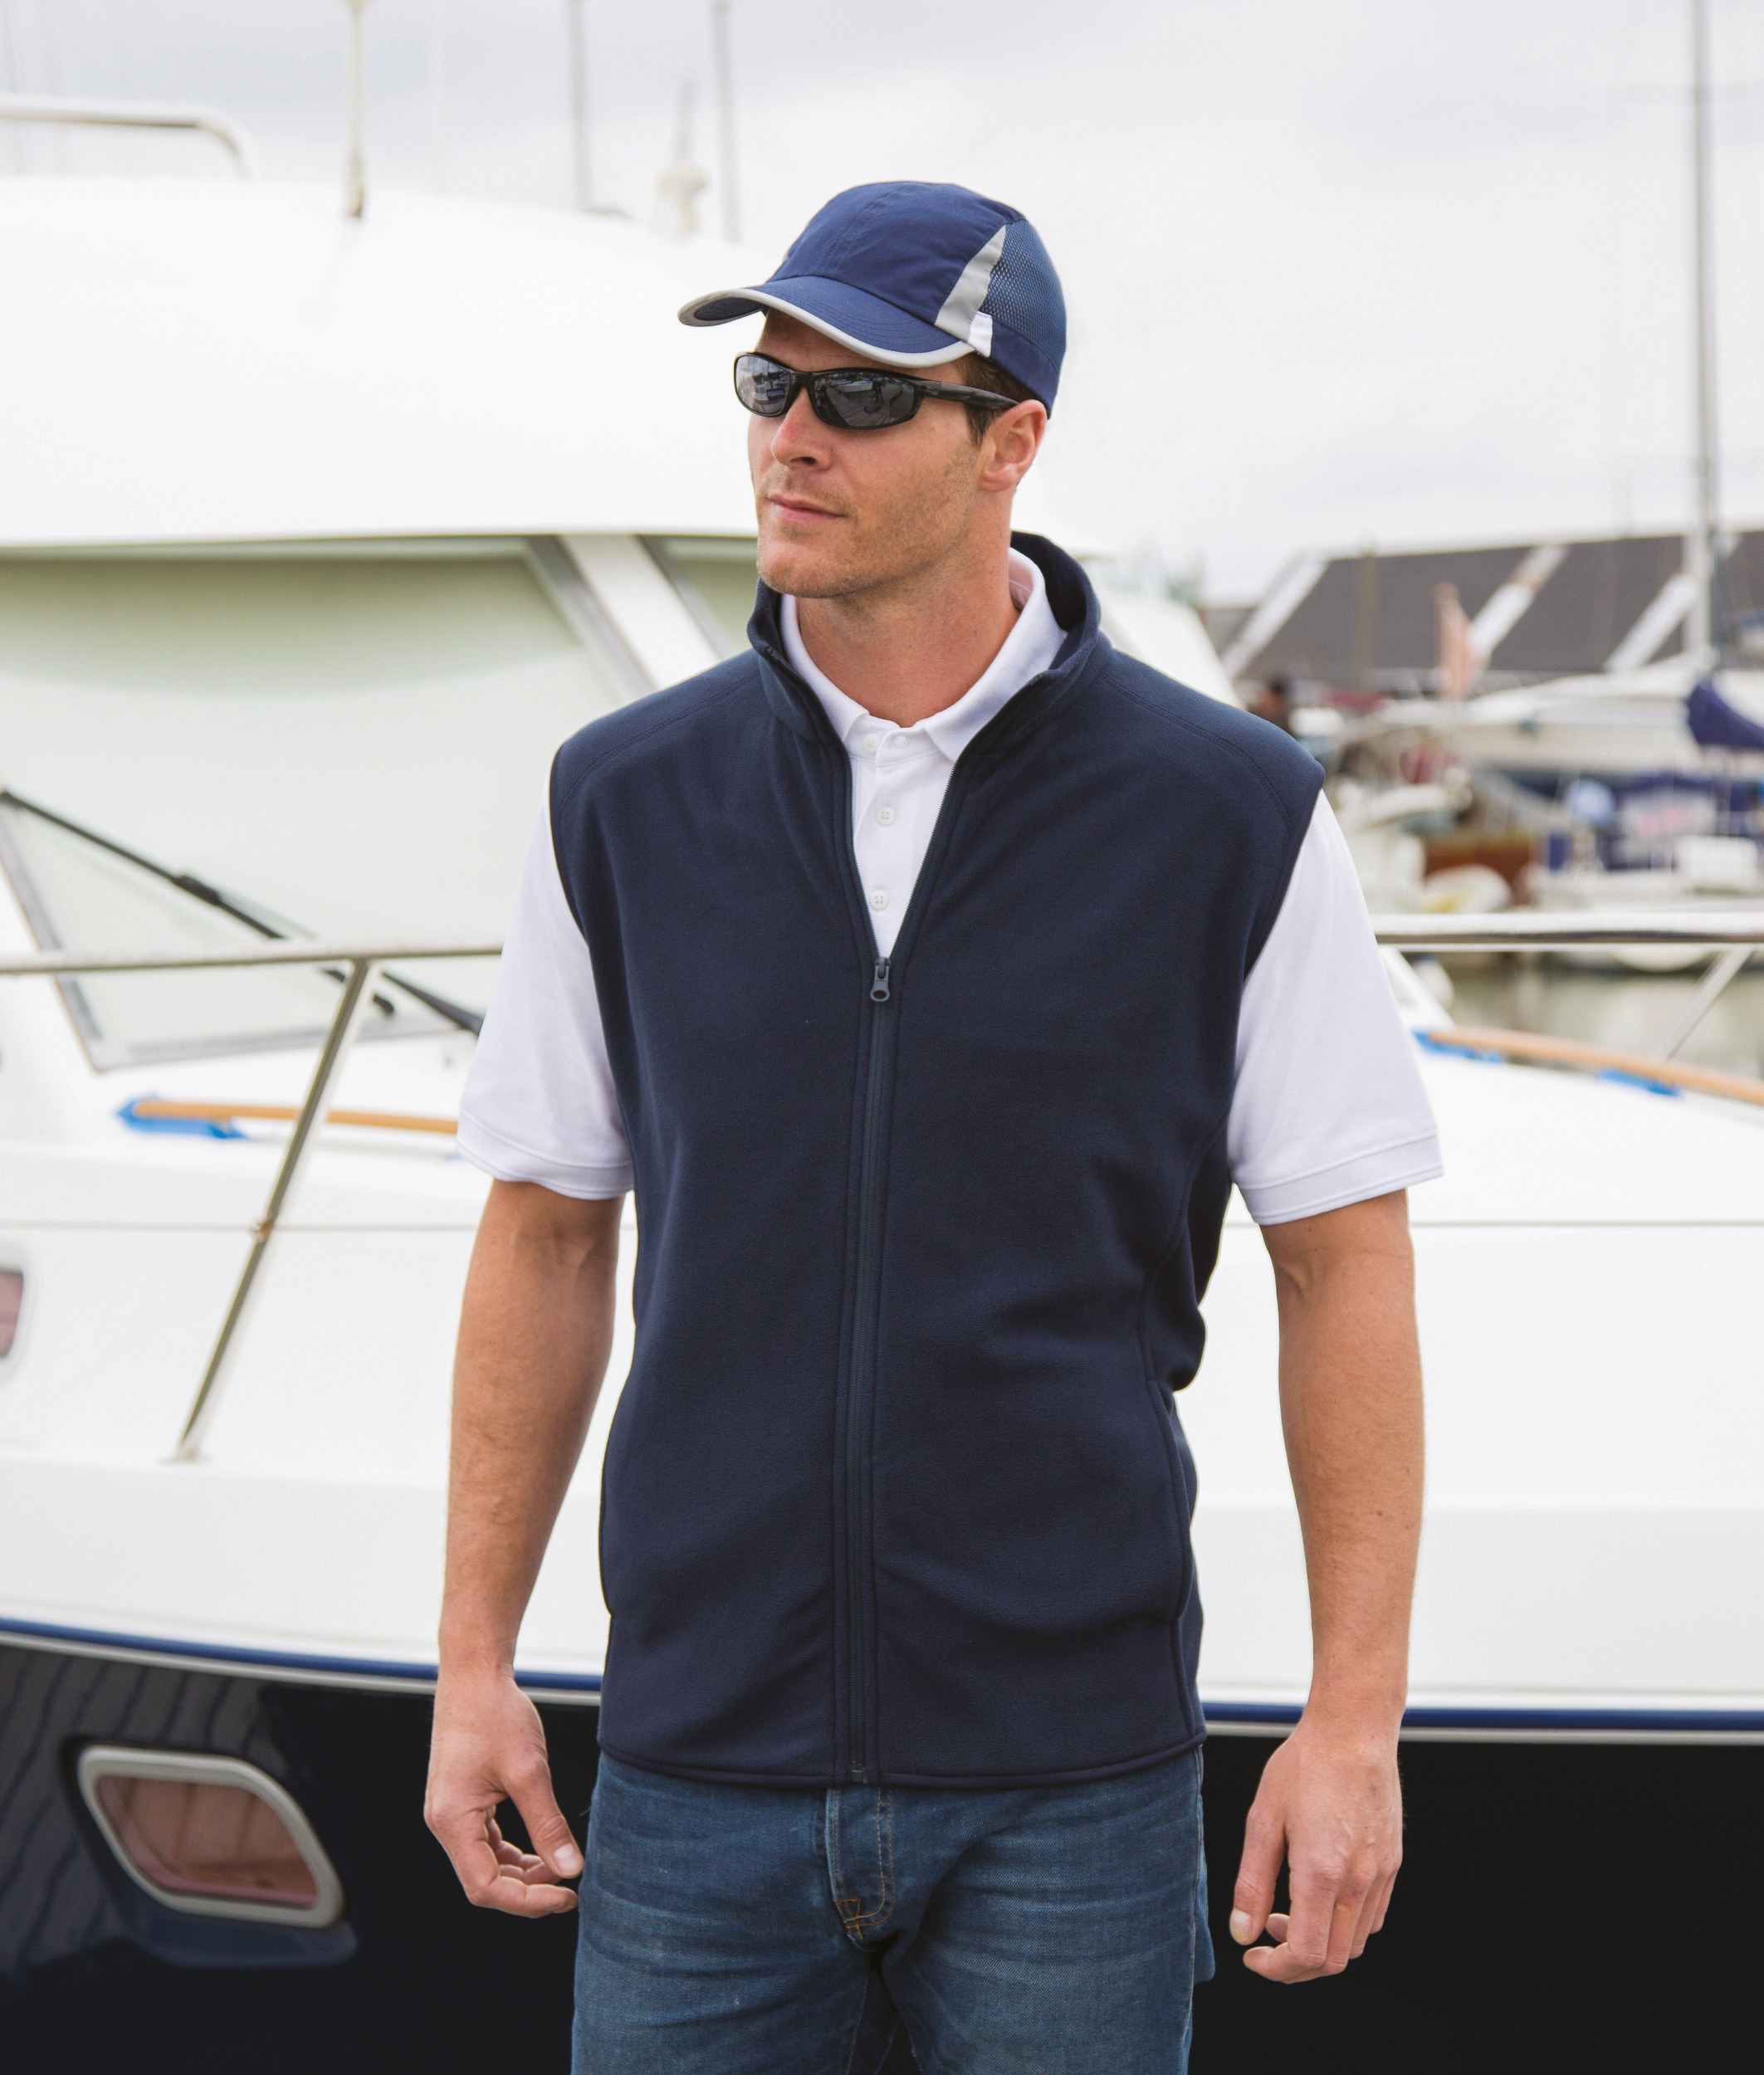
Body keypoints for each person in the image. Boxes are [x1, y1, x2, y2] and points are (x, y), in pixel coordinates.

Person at [425, 180, 1438, 2075]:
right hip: (696, 1764)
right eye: (771, 382)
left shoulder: (1226, 812)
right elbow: (546, 1232)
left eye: (868, 395)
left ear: (1010, 443)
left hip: (1074, 1783)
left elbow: (1342, 1263)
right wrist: (472, 1659)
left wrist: (1352, 1719)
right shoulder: (622, 800)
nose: (793, 435)